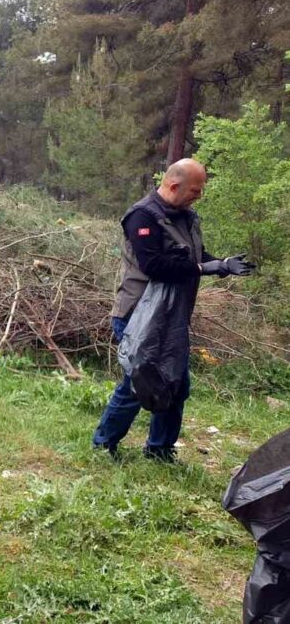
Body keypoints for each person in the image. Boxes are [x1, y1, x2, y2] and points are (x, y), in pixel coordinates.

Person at [93, 159, 254, 461]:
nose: (199, 195)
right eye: (195, 190)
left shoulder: (186, 216)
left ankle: (159, 450)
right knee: (138, 385)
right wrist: (205, 268)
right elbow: (155, 266)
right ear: (174, 185)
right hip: (137, 315)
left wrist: (222, 263)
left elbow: (194, 256)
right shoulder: (142, 217)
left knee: (176, 385)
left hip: (172, 318)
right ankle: (103, 445)